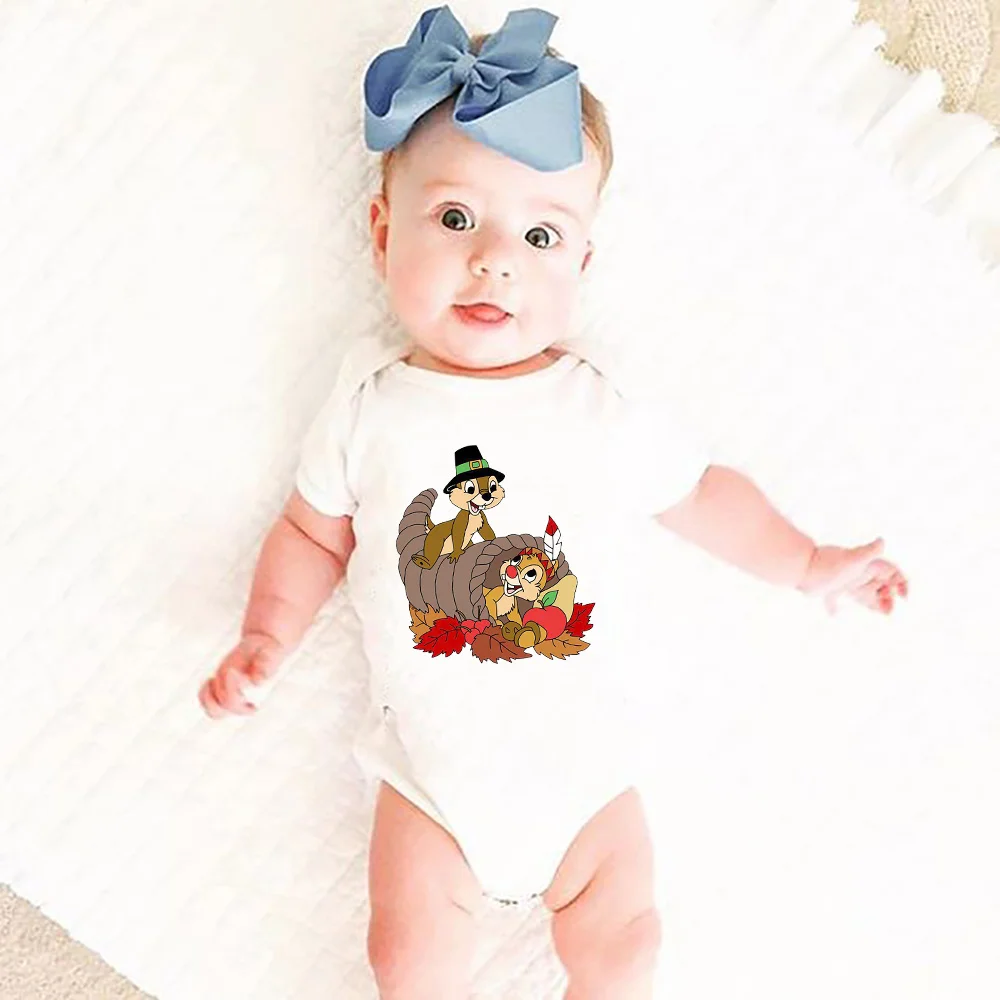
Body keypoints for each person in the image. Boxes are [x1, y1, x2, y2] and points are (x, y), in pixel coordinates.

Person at [198, 7, 909, 998]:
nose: (494, 259)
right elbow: (311, 534)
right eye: (455, 219)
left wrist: (805, 561)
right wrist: (265, 635)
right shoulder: (367, 403)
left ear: (581, 264)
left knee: (626, 947)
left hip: (585, 772)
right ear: (382, 232)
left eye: (539, 234)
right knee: (407, 957)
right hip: (430, 778)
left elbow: (701, 492)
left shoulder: (595, 403)